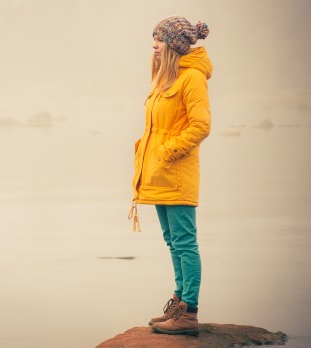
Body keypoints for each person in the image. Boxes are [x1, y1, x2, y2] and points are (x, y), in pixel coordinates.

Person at [128, 16, 212, 336]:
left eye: (159, 39)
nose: (154, 45)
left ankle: (188, 312)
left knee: (185, 243)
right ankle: (178, 303)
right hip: (161, 176)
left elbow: (200, 125)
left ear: (174, 45)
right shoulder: (166, 79)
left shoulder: (191, 79)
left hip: (176, 174)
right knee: (172, 242)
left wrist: (167, 152)